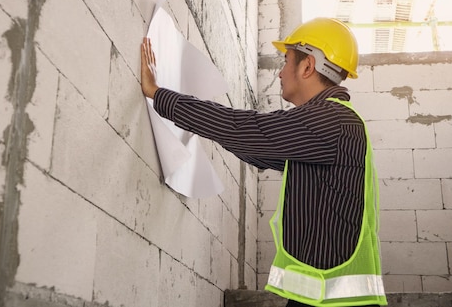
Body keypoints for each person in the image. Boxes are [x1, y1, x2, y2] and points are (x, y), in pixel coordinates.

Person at [141, 17, 386, 307]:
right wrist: (219, 131)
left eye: (286, 61)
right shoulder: (333, 123)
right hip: (325, 298)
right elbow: (256, 149)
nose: (280, 73)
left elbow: (246, 130)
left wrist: (158, 94)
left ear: (307, 66)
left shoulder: (331, 120)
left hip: (333, 302)